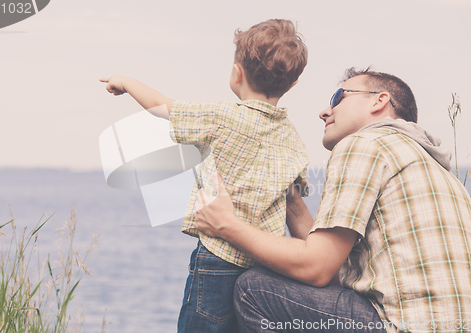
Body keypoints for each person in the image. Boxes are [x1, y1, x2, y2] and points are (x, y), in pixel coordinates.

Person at [195, 67, 471, 332]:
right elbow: (334, 268)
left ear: (379, 101)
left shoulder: (364, 144)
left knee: (255, 289)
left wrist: (227, 226)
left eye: (338, 98)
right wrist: (291, 199)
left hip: (399, 327)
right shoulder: (434, 169)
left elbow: (316, 268)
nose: (325, 111)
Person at [100, 19, 312, 333]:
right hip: (264, 263)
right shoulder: (293, 139)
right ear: (293, 84)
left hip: (216, 258)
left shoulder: (221, 116)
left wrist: (127, 82)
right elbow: (294, 197)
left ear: (236, 72)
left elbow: (164, 108)